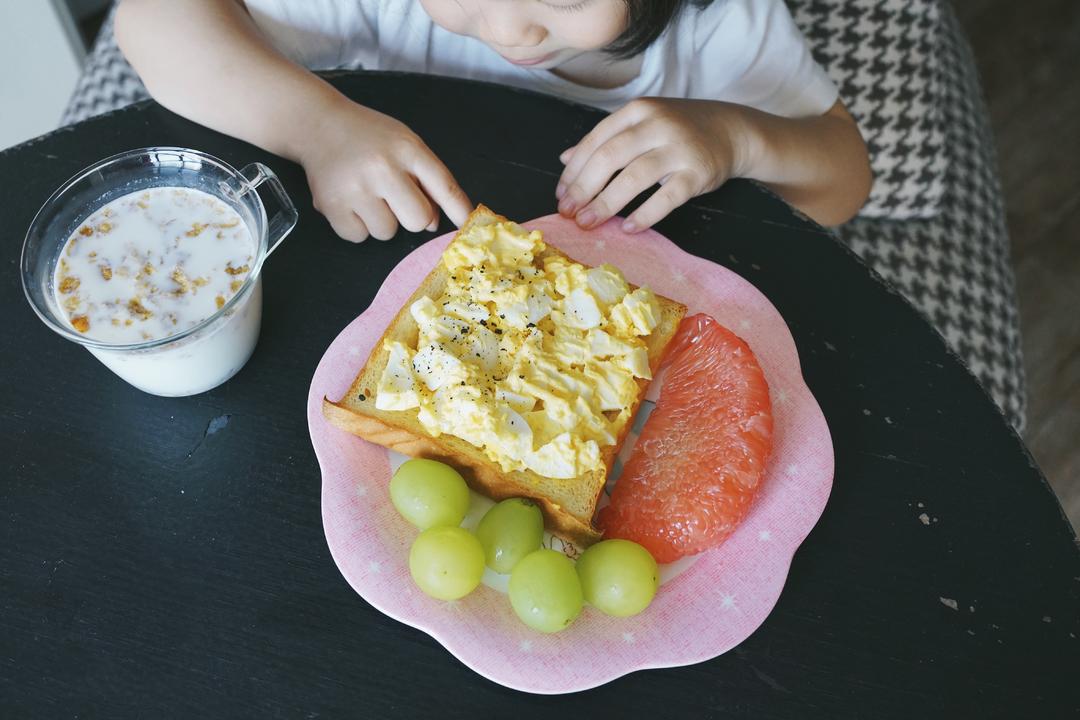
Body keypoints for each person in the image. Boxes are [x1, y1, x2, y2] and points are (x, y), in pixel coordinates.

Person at [115, 0, 872, 242]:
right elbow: (153, 20)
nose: (512, 31)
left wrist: (733, 137)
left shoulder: (725, 25)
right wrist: (319, 128)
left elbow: (843, 177)